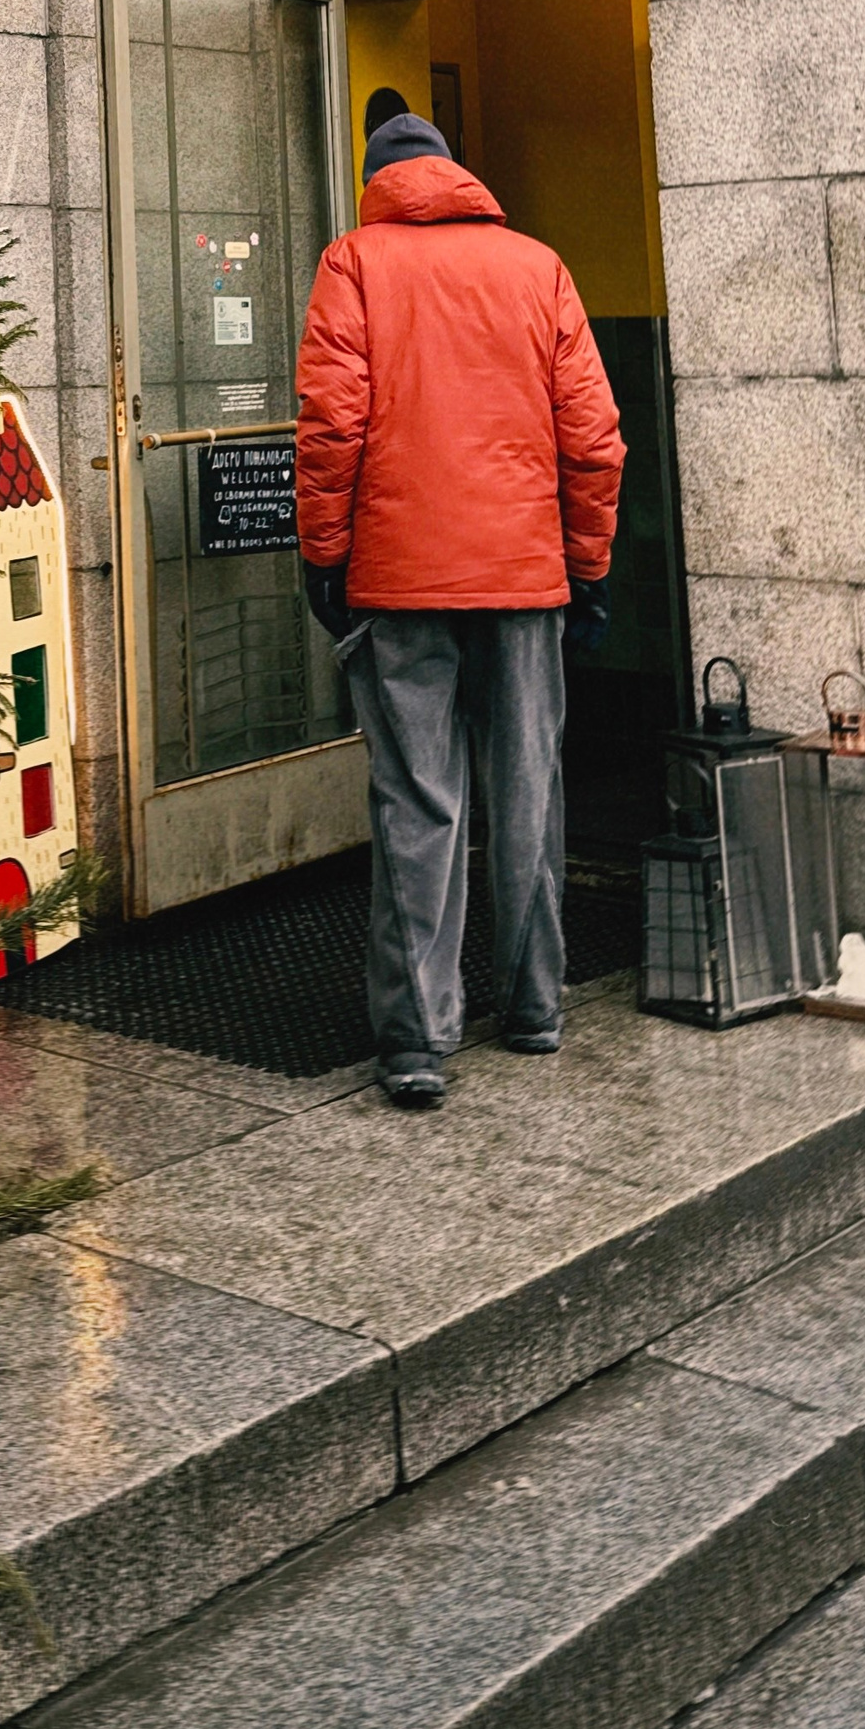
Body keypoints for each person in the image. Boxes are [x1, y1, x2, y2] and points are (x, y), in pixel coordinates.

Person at [295, 108, 625, 1109]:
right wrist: (587, 564)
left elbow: (331, 426)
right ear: (456, 175)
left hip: (399, 580)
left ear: (377, 181)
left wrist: (325, 555)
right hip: (524, 577)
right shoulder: (538, 267)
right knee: (528, 788)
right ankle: (533, 1005)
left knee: (418, 799)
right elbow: (594, 436)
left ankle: (417, 1038)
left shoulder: (353, 262)